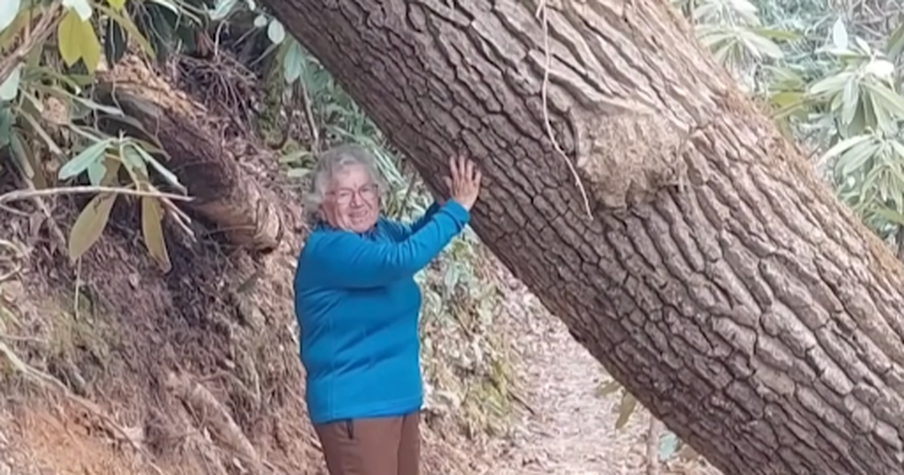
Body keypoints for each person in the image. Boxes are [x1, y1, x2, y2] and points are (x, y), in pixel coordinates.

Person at [293, 144, 482, 475]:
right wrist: (457, 209)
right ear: (322, 206)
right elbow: (401, 261)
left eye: (365, 189)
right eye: (343, 194)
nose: (358, 201)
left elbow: (413, 236)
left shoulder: (380, 234)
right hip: (356, 407)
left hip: (400, 399)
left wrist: (443, 203)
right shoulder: (328, 249)